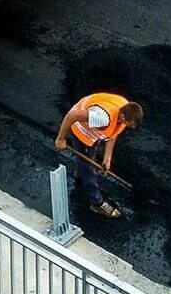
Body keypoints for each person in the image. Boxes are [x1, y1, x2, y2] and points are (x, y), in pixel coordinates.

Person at [54, 92, 143, 221]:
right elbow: (73, 116)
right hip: (80, 129)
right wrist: (61, 138)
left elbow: (112, 134)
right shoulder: (103, 118)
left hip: (93, 125)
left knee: (88, 157)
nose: (131, 127)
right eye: (130, 125)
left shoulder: (124, 107)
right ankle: (97, 203)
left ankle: (80, 170)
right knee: (90, 171)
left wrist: (107, 158)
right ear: (123, 117)